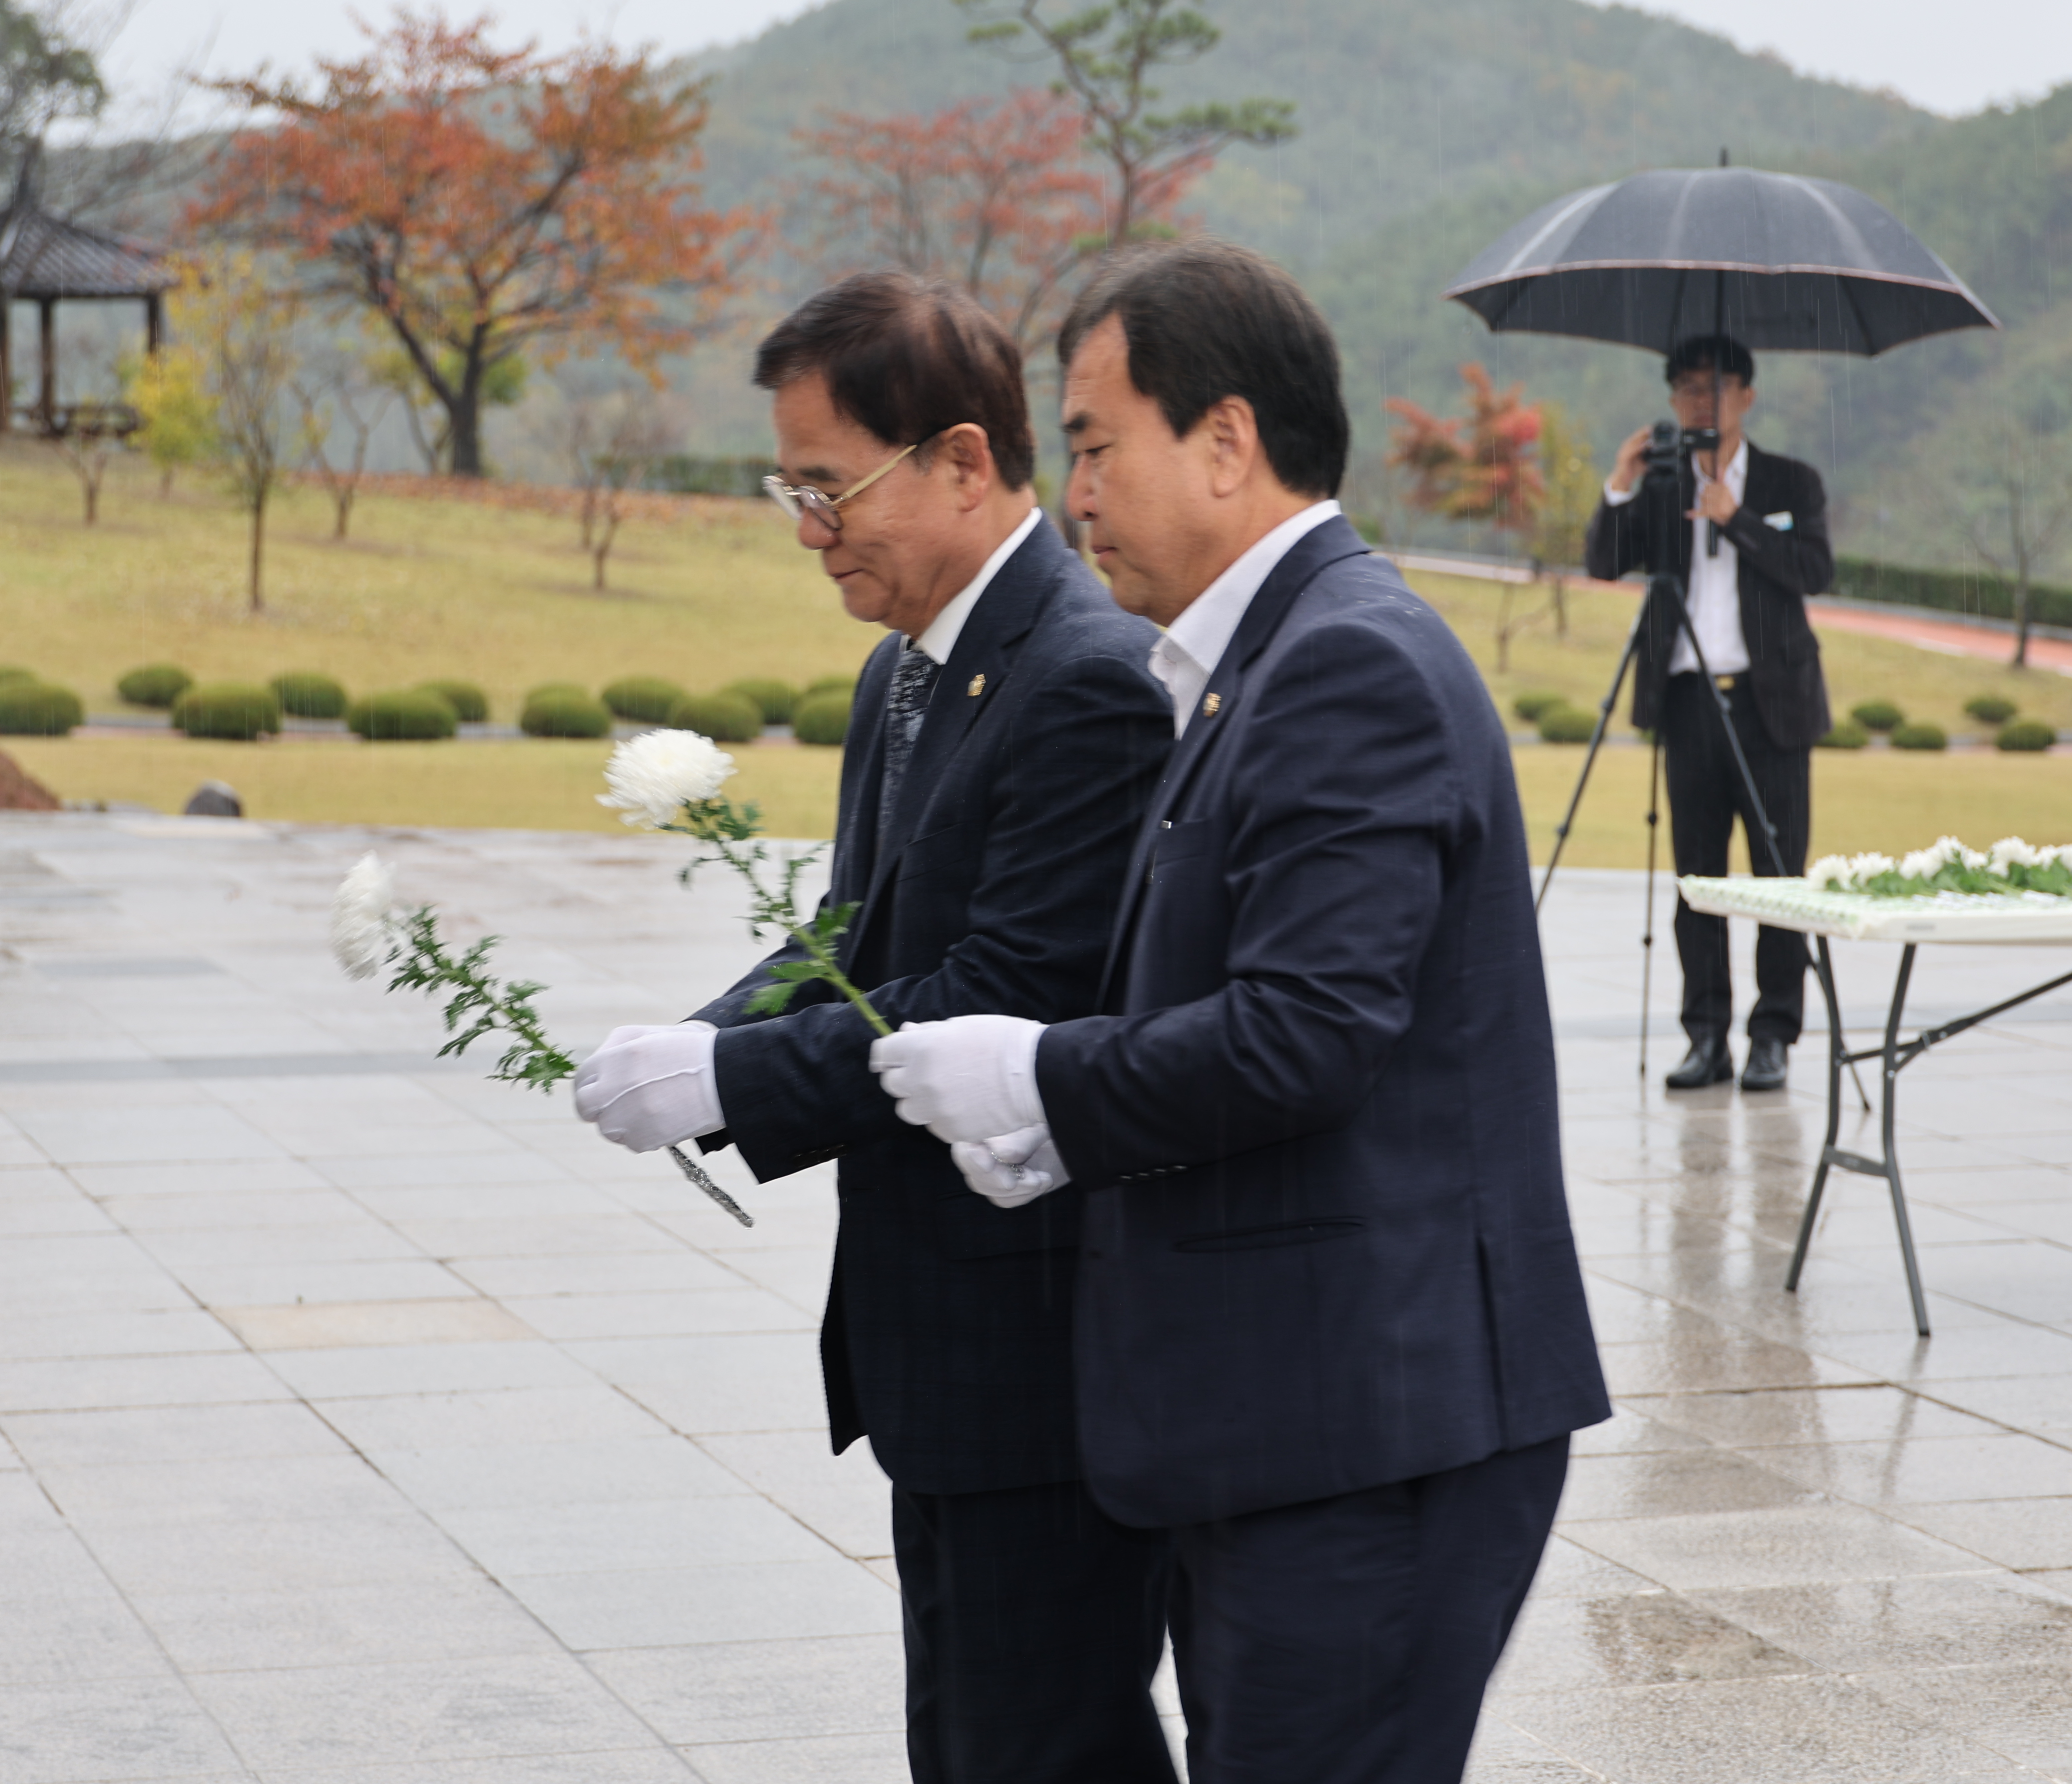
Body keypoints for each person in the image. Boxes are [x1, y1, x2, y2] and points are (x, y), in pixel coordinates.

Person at [868, 238, 1608, 1784]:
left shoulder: (1344, 661)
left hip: (1370, 1429)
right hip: (1286, 1419)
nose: (1071, 497)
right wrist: (1064, 1139)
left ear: (1225, 441)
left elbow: (1304, 1033)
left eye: (1091, 445)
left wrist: (1041, 1080)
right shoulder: (1240, 664)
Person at [569, 272, 1180, 1784]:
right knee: (971, 1737)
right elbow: (856, 933)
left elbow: (998, 992)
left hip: (1039, 1345)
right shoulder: (907, 664)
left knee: (1044, 1742)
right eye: (793, 489)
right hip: (938, 1336)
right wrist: (702, 1037)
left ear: (965, 463)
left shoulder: (1085, 679)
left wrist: (737, 1075)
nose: (809, 529)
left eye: (833, 487)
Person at [1583, 334, 1835, 1092]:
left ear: (1747, 397)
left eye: (1718, 386)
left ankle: (1773, 1037)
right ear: (1672, 400)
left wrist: (1737, 519)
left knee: (1779, 881)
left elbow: (1815, 570)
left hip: (1774, 709)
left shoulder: (1791, 481)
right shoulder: (1661, 484)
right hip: (1688, 702)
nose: (1704, 400)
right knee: (1699, 882)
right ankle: (1705, 1036)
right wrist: (1622, 486)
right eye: (1688, 387)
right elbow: (1602, 562)